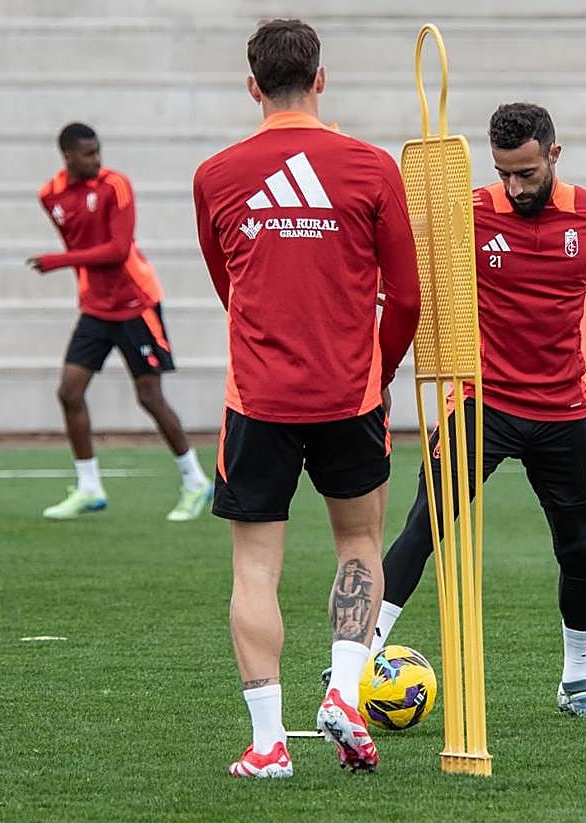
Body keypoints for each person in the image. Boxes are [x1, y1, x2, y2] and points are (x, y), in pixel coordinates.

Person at [193, 19, 420, 778]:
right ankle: (345, 695)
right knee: (359, 545)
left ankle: (269, 745)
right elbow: (408, 298)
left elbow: (228, 284)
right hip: (350, 393)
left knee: (254, 569)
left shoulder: (215, 174)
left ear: (252, 86)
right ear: (321, 79)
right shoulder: (370, 165)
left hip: (258, 397)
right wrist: (381, 371)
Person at [369, 102, 586, 724]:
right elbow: (408, 271)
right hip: (481, 402)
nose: (514, 188)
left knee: (577, 548)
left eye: (527, 174)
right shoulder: (471, 212)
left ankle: (577, 682)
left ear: (553, 155)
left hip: (563, 411)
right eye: (503, 174)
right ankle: (359, 660)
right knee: (423, 527)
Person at [27, 123, 211, 522]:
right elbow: (82, 243)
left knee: (149, 396)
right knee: (69, 391)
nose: (97, 160)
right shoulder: (50, 195)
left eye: (98, 151)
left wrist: (58, 262)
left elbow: (117, 249)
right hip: (96, 306)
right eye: (88, 154)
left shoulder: (116, 185)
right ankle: (89, 487)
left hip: (135, 302)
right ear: (68, 156)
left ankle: (195, 480)